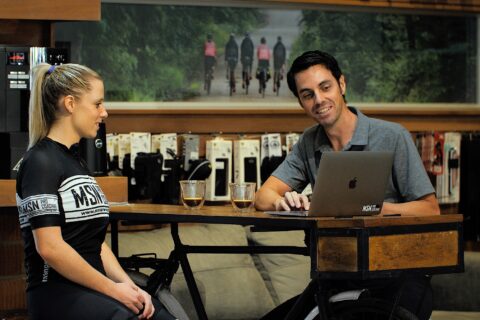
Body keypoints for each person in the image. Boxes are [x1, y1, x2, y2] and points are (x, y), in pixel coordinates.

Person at [255, 50, 440, 320]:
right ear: (301, 103)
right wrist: (282, 201)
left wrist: (372, 209)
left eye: (325, 87)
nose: (319, 100)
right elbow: (262, 197)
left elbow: (430, 210)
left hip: (399, 279)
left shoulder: (392, 136)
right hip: (336, 279)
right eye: (307, 95)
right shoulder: (309, 142)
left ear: (342, 84)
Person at [16, 63, 177, 320]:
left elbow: (96, 244)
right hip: (56, 294)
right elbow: (49, 247)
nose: (104, 113)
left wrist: (132, 287)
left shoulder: (77, 162)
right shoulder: (40, 162)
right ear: (70, 104)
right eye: (97, 104)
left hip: (95, 289)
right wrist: (114, 290)